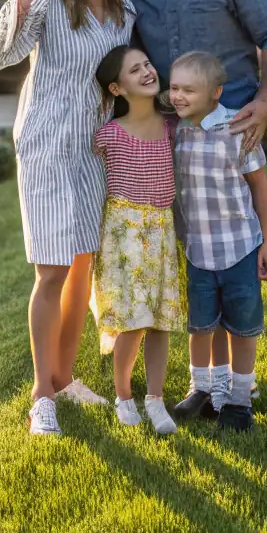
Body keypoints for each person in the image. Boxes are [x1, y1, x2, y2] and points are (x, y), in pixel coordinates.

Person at [122, 0, 267, 409]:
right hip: (175, 144)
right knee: (196, 263)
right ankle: (207, 383)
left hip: (232, 135)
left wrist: (264, 100)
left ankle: (238, 384)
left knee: (235, 260)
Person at [0, 0, 136, 437]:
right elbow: (3, 57)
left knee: (81, 266)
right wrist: (20, 11)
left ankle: (66, 376)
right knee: (50, 270)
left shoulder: (125, 10)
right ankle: (41, 395)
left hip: (93, 150)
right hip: (47, 147)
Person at [168, 51, 267, 431]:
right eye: (174, 88)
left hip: (240, 248)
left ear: (215, 93)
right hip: (198, 250)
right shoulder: (179, 131)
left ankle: (238, 399)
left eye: (188, 90)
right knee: (201, 325)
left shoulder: (237, 130)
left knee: (242, 328)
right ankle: (203, 390)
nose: (178, 96)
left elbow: (261, 190)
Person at [91, 43, 183, 435]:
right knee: (132, 321)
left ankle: (156, 399)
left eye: (147, 63)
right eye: (134, 70)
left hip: (161, 230)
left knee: (161, 320)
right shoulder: (108, 135)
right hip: (123, 235)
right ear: (116, 89)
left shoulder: (171, 126)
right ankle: (124, 395)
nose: (147, 71)